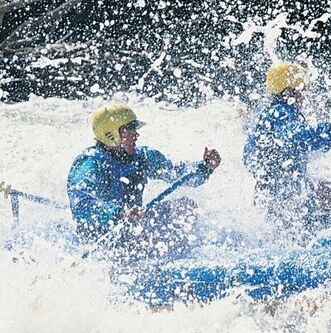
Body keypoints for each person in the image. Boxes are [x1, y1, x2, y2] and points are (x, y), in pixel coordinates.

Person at [67, 104, 221, 258]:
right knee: (139, 235)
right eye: (130, 129)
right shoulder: (90, 163)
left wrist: (205, 167)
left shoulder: (143, 157)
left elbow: (177, 174)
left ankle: (183, 255)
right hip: (104, 233)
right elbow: (81, 207)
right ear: (110, 134)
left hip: (133, 223)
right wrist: (120, 214)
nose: (136, 135)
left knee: (186, 207)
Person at [243, 61, 331, 233]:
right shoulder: (283, 113)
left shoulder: (264, 112)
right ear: (290, 90)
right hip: (287, 194)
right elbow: (298, 138)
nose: (304, 96)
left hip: (270, 191)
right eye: (301, 89)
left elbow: (249, 157)